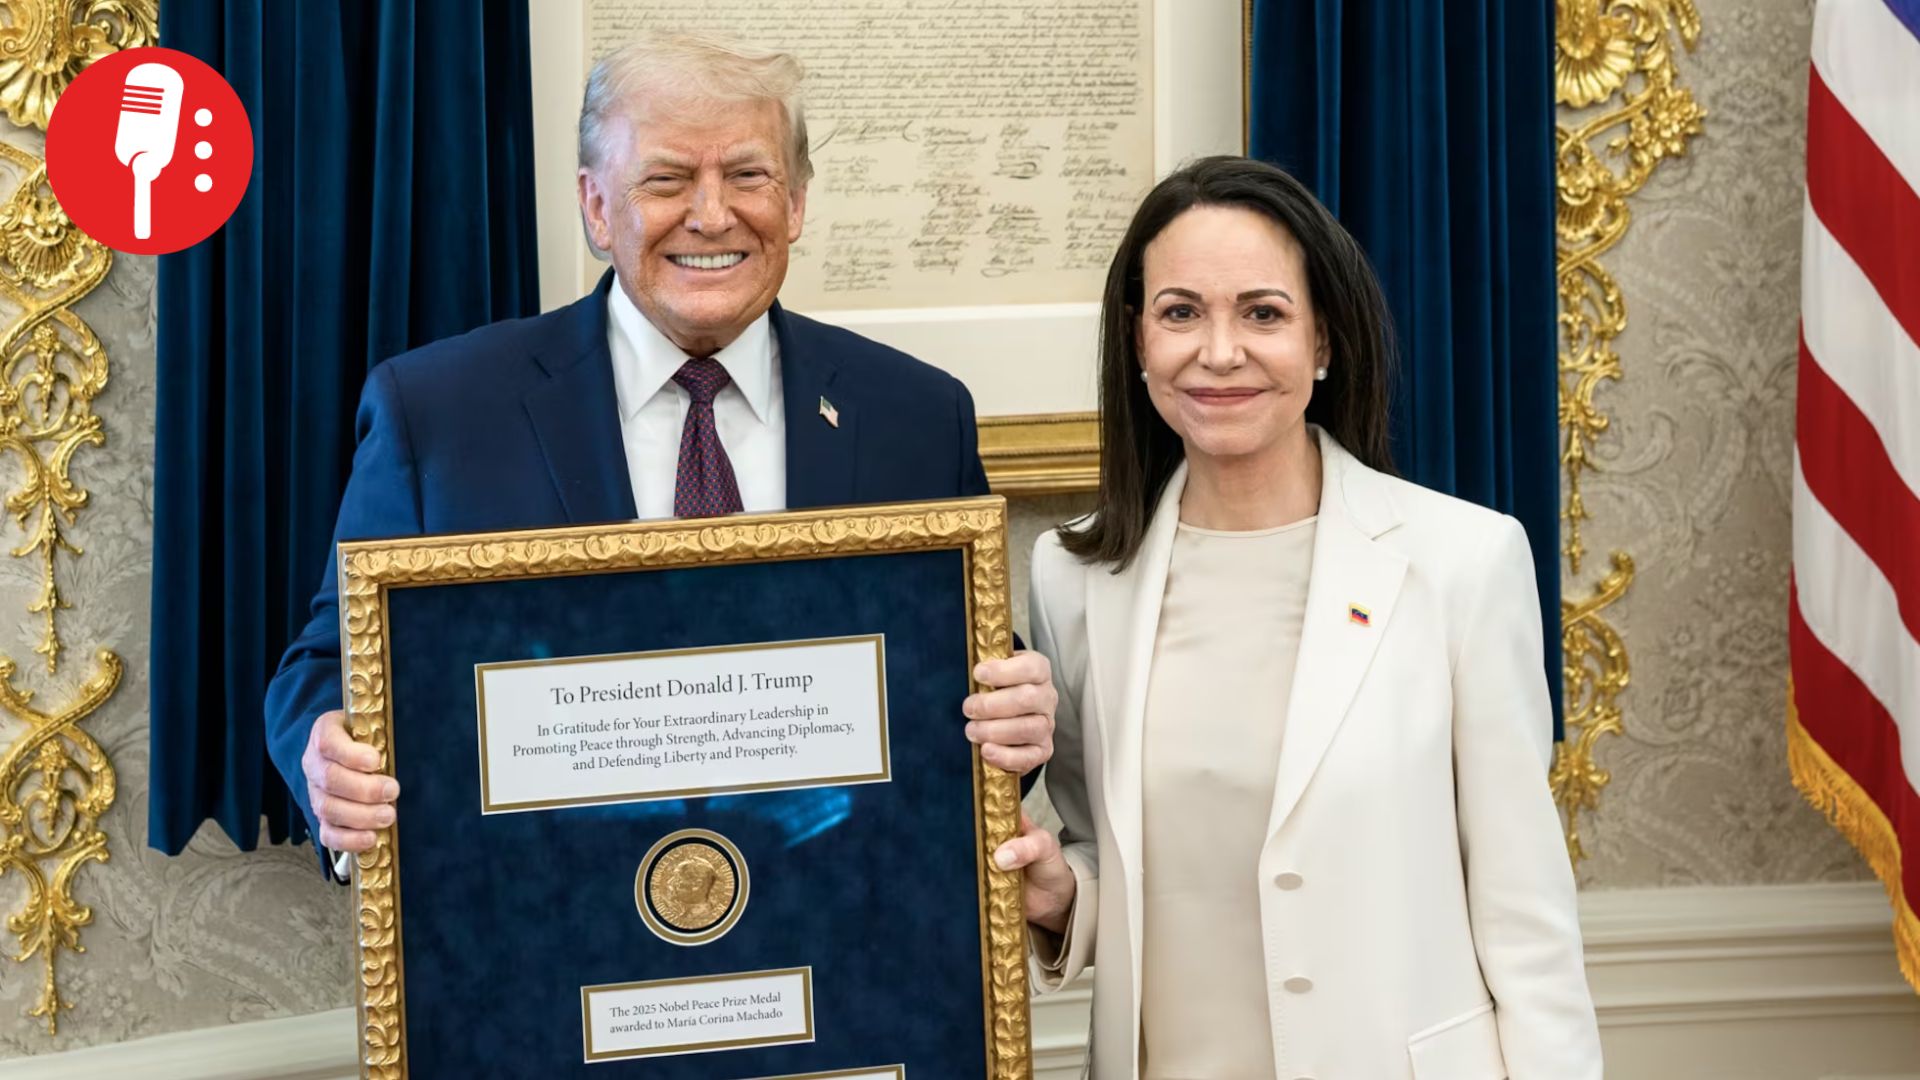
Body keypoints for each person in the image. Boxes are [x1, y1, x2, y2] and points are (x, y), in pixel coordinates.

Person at [263, 33, 1056, 875]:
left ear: (795, 202)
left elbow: (966, 677)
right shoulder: (439, 413)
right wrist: (330, 760)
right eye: (667, 180)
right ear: (597, 207)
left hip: (838, 909)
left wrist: (1015, 718)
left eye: (748, 176)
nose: (711, 216)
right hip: (541, 912)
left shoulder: (916, 415)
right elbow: (331, 663)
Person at [997, 156, 1601, 1078]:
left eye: (1264, 314)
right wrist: (1058, 898)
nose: (1219, 352)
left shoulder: (1463, 563)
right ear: (1137, 341)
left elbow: (1527, 915)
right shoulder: (1074, 576)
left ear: (1323, 342)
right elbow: (1114, 858)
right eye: (1180, 313)